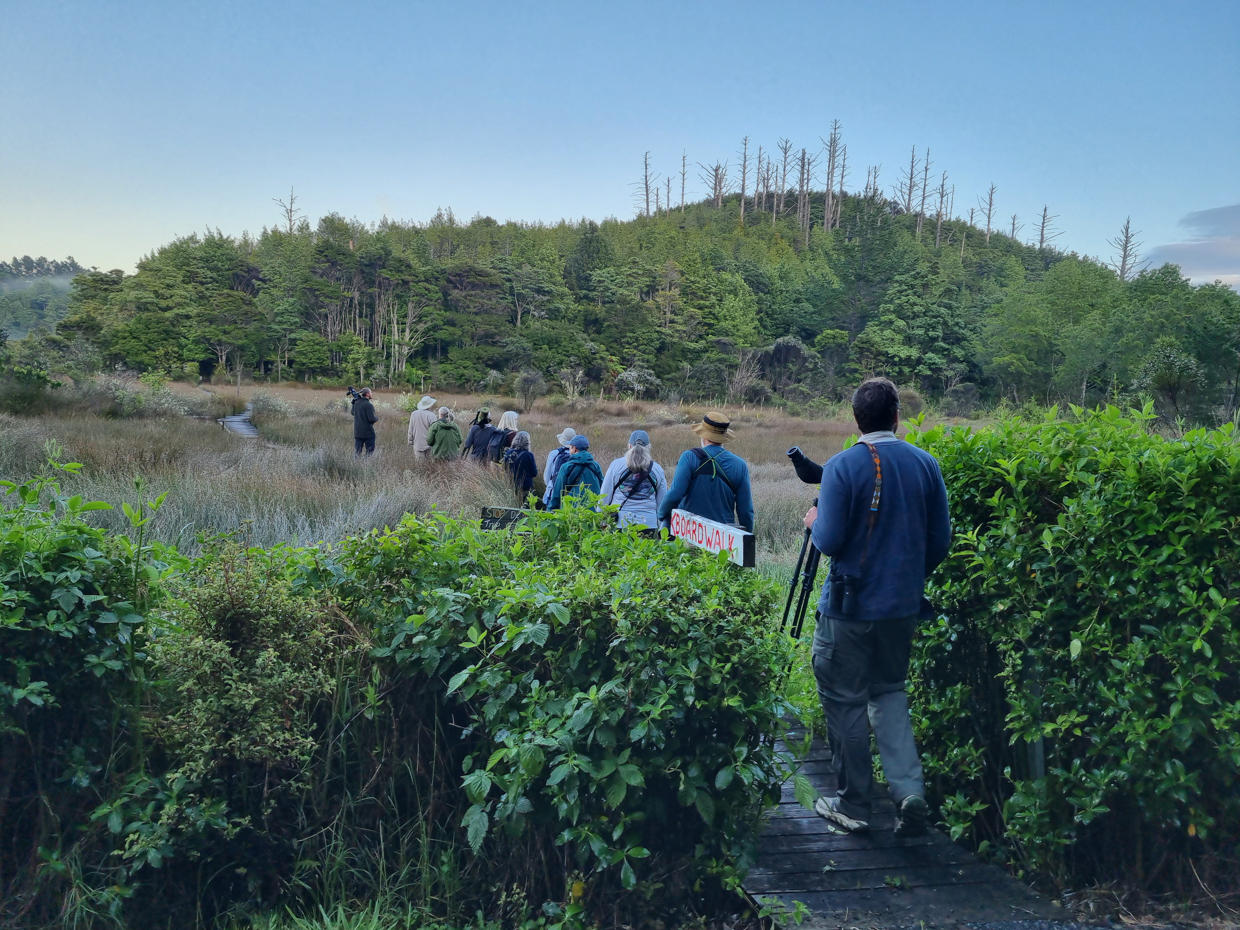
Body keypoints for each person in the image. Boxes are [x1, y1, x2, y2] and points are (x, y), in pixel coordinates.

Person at [803, 377, 951, 839]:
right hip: (902, 607)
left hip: (849, 609)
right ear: (896, 417)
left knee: (845, 699)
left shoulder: (844, 465)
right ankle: (909, 792)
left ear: (855, 419)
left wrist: (812, 519)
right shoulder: (926, 464)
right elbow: (940, 542)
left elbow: (827, 540)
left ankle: (854, 804)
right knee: (889, 693)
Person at [657, 411, 754, 532]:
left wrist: (661, 514)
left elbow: (674, 495)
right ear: (724, 437)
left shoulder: (689, 457)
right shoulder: (740, 465)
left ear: (703, 435)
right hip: (723, 536)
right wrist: (747, 538)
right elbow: (746, 511)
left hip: (690, 533)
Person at [599, 429, 667, 529]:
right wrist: (662, 529)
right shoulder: (658, 469)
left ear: (629, 446)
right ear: (648, 447)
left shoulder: (616, 465)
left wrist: (601, 521)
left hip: (621, 524)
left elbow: (604, 496)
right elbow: (662, 503)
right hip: (648, 525)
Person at [548, 435, 603, 510]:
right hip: (592, 512)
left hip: (571, 511)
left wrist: (552, 509)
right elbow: (602, 487)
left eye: (570, 447)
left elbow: (558, 491)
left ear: (574, 449)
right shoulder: (596, 466)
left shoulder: (566, 467)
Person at [542, 427, 576, 508]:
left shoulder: (555, 453)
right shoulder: (578, 456)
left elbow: (547, 475)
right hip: (572, 496)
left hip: (553, 492)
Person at [504, 431, 539, 505]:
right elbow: (534, 473)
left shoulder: (508, 453)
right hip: (526, 486)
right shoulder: (529, 455)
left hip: (512, 484)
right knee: (526, 508)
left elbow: (505, 468)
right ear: (527, 442)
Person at [352, 387, 378, 457]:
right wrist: (376, 418)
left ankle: (356, 464)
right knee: (369, 451)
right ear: (367, 394)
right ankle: (367, 464)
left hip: (357, 432)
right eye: (371, 392)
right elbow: (371, 419)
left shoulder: (356, 403)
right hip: (368, 433)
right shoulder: (369, 405)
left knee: (357, 451)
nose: (371, 394)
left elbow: (352, 412)